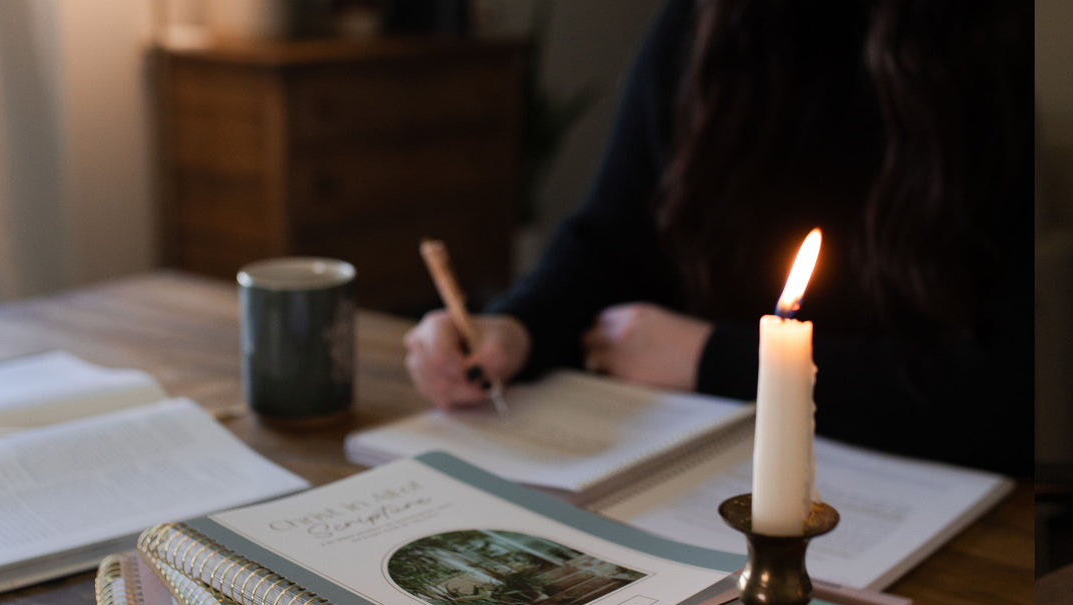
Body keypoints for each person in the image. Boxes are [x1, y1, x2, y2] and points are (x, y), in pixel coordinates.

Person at [403, 0, 1033, 475]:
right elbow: (607, 242)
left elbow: (1002, 396)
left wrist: (709, 358)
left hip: (918, 489)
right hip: (702, 466)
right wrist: (511, 329)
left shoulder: (993, 48)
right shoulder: (703, 25)